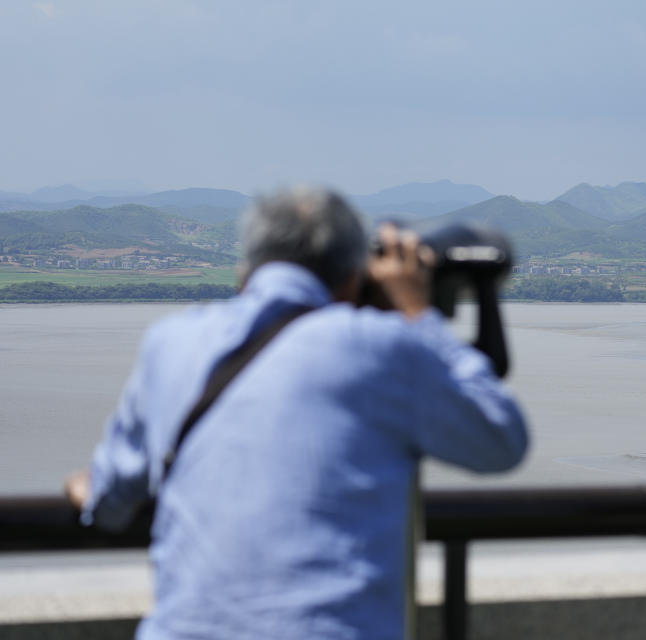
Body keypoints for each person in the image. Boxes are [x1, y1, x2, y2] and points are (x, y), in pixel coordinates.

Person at [64, 188, 528, 639]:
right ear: (354, 277)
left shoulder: (170, 343)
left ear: (246, 273)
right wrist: (416, 312)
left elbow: (107, 501)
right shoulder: (376, 348)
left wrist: (88, 485)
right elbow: (500, 439)